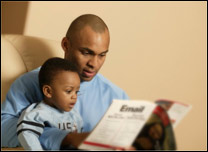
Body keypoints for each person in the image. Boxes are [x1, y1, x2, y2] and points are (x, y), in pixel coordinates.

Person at [1, 14, 129, 150]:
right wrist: (65, 138)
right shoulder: (30, 83)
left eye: (102, 55)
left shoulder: (117, 96)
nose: (94, 64)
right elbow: (3, 129)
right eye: (86, 53)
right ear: (66, 45)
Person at [16, 57, 83, 150]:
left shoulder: (75, 114)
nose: (74, 96)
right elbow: (27, 134)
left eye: (77, 92)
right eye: (68, 91)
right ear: (48, 91)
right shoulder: (38, 113)